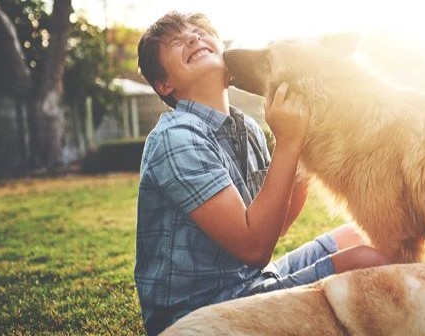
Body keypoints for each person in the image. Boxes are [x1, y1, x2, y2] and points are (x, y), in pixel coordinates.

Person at [134, 11, 389, 335]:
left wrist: (303, 135)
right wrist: (288, 142)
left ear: (230, 71)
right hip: (198, 315)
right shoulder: (176, 137)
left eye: (199, 31)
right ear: (164, 84)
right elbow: (254, 247)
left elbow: (274, 227)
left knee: (364, 237)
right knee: (367, 262)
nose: (193, 37)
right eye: (175, 41)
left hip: (249, 283)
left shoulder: (247, 129)